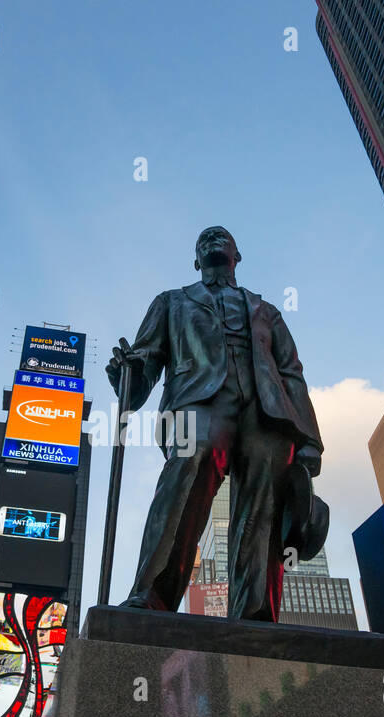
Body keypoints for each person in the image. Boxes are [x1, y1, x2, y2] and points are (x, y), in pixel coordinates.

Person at [108, 227, 324, 621]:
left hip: (267, 411)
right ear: (195, 260)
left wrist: (309, 440)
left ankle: (254, 610)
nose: (212, 241)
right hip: (199, 400)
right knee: (186, 470)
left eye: (219, 237)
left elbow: (291, 372)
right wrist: (127, 372)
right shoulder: (172, 302)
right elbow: (143, 365)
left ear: (237, 255)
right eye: (203, 240)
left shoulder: (266, 310)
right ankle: (152, 594)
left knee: (263, 501)